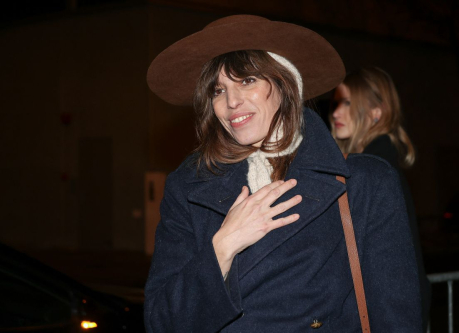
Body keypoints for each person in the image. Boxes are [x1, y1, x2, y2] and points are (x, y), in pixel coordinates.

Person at [145, 15, 422, 332]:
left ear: (286, 83)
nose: (231, 102)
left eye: (247, 81)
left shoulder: (363, 183)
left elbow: (397, 318)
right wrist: (222, 247)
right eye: (217, 90)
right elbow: (161, 322)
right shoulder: (188, 187)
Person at [330, 67, 431, 331]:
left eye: (348, 103)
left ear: (377, 112)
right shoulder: (382, 163)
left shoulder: (371, 171)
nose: (336, 113)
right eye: (336, 104)